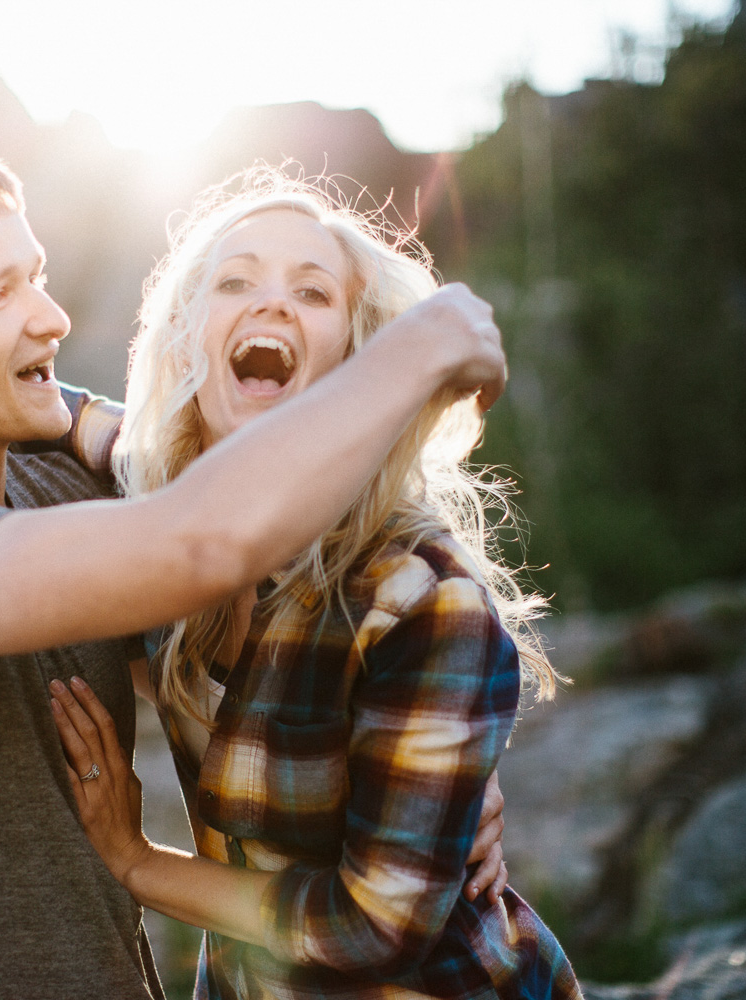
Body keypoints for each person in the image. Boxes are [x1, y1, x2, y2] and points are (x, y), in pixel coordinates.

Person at [0, 141, 511, 1000]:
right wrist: (421, 349)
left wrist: (446, 772)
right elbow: (203, 537)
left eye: (36, 275)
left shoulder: (65, 484)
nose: (52, 318)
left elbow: (180, 460)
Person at [44, 172, 582, 999]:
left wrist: (136, 861)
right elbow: (65, 411)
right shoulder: (164, 515)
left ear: (359, 360)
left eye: (312, 291)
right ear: (189, 342)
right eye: (234, 281)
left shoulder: (417, 594)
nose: (271, 304)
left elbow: (376, 931)